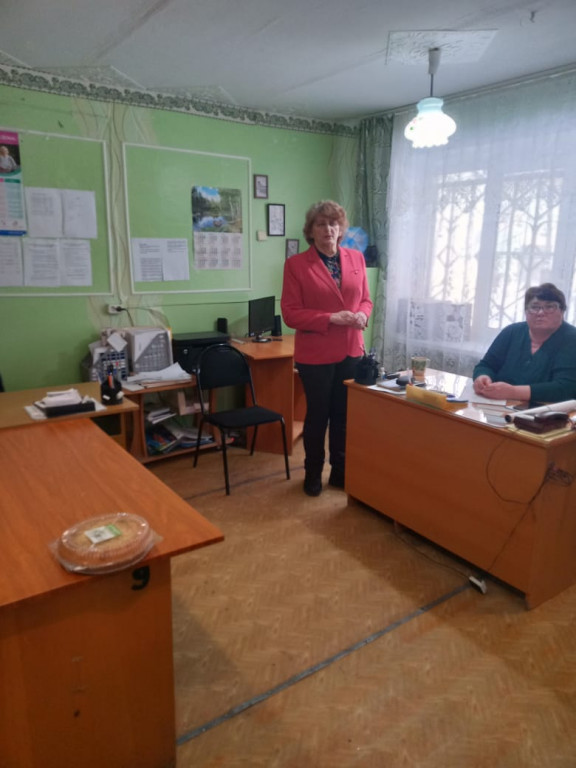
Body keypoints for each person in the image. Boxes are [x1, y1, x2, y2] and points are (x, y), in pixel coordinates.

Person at [281, 200, 373, 496]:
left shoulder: (356, 259)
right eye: (321, 224)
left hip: (351, 350)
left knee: (343, 416)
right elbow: (291, 313)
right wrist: (331, 318)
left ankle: (340, 472)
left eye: (334, 223)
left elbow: (366, 299)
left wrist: (363, 315)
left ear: (341, 229)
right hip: (315, 354)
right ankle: (312, 473)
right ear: (311, 231)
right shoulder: (296, 265)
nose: (328, 229)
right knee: (318, 415)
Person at [473, 282, 576, 404]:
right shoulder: (511, 332)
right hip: (496, 405)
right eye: (535, 307)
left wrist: (513, 392)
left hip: (547, 412)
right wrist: (482, 377)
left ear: (562, 311)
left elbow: (566, 387)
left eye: (549, 307)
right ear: (526, 311)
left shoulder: (571, 339)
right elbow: (486, 365)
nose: (540, 313)